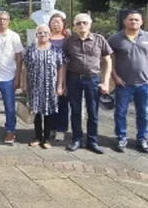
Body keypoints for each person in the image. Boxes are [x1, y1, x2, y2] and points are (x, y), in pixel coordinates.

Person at [108, 10, 148, 153]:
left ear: (142, 22)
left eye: (136, 20)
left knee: (144, 113)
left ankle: (142, 139)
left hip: (144, 84)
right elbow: (109, 60)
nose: (133, 22)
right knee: (120, 113)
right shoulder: (115, 39)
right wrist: (114, 76)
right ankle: (121, 138)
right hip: (123, 84)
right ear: (125, 21)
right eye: (130, 19)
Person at [62, 13, 112, 154]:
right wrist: (63, 83)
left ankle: (92, 141)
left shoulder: (99, 40)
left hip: (92, 79)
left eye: (84, 22)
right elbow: (64, 63)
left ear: (90, 24)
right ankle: (76, 139)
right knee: (76, 110)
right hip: (74, 78)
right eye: (78, 23)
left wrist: (106, 82)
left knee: (93, 111)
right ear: (74, 26)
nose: (81, 25)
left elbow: (108, 61)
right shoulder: (69, 41)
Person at [24, 25, 66, 148]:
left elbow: (61, 68)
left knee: (49, 113)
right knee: (36, 112)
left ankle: (47, 139)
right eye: (40, 33)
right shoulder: (31, 49)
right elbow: (25, 67)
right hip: (35, 86)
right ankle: (37, 137)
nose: (43, 35)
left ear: (49, 35)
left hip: (50, 86)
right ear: (36, 35)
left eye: (45, 33)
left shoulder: (56, 49)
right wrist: (24, 83)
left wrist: (60, 85)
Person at [0, 11, 25, 144]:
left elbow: (19, 58)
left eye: (5, 19)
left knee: (9, 106)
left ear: (9, 21)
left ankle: (10, 130)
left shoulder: (14, 36)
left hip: (8, 76)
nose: (2, 21)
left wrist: (18, 78)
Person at [48, 13, 71, 142]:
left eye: (58, 22)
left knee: (62, 103)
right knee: (49, 102)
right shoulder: (45, 37)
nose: (56, 24)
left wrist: (63, 83)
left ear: (63, 24)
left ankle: (61, 129)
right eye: (53, 21)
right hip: (47, 76)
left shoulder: (68, 39)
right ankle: (51, 127)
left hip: (65, 74)